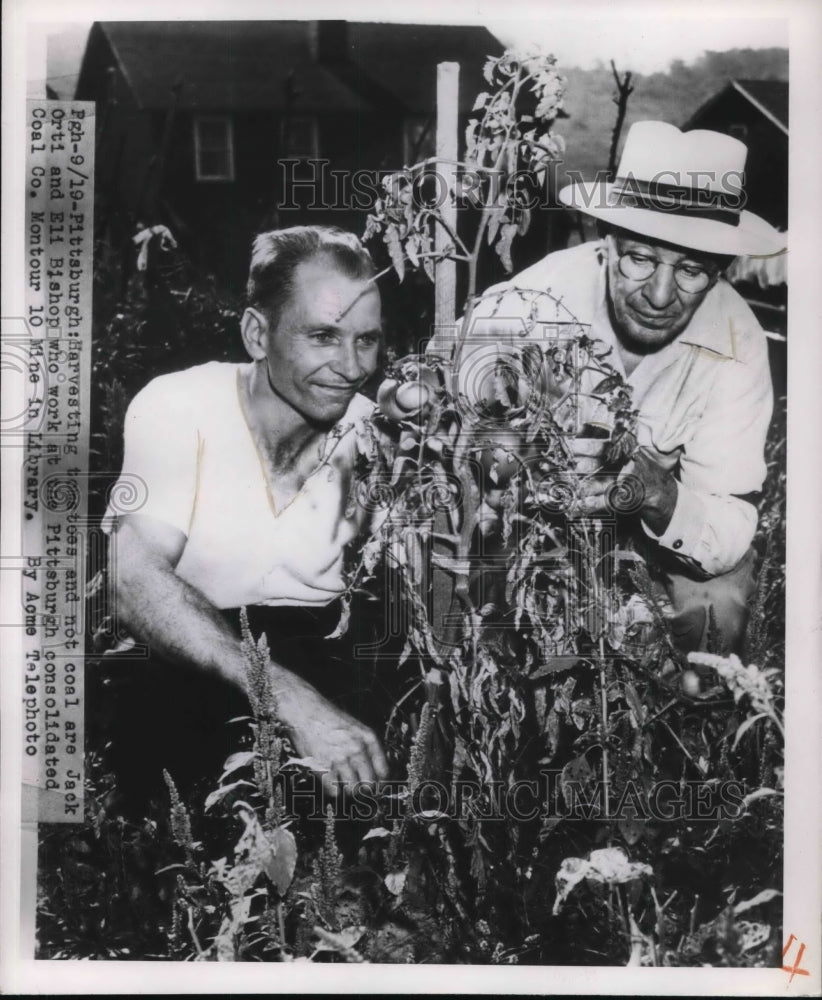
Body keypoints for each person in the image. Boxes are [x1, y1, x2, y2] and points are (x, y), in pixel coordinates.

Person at [432, 121, 785, 653]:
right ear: (608, 243)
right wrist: (509, 451)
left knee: (715, 618)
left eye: (691, 270)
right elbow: (434, 406)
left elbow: (730, 528)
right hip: (524, 526)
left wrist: (656, 494)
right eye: (640, 258)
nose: (660, 295)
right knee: (465, 614)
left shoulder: (738, 345)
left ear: (719, 271)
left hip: (653, 542)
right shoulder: (534, 300)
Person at [96, 226, 394, 811]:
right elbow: (132, 586)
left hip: (325, 668)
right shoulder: (182, 405)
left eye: (368, 341)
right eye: (323, 337)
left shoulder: (375, 434)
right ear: (258, 334)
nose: (351, 366)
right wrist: (288, 699)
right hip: (189, 674)